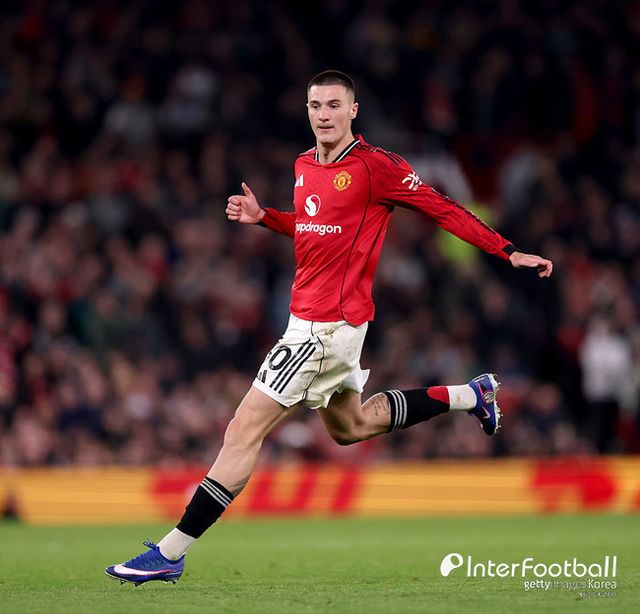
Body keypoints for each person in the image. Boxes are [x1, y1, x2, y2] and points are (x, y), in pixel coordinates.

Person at [106, 70, 553, 585]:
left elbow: (443, 209)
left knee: (243, 430)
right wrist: (265, 217)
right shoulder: (304, 165)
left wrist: (507, 251)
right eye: (316, 105)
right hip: (316, 324)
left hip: (324, 329)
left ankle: (170, 552)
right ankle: (470, 395)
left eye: (335, 105)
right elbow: (313, 227)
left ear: (353, 111)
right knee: (351, 427)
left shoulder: (377, 167)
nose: (324, 115)